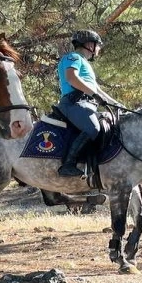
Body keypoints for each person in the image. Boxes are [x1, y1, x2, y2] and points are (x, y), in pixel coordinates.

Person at [55, 29, 122, 177]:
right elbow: (72, 78)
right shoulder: (73, 57)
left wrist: (115, 103)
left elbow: (97, 90)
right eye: (98, 45)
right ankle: (68, 164)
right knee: (93, 128)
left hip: (87, 103)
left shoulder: (85, 64)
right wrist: (94, 95)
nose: (98, 48)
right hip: (74, 102)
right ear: (89, 45)